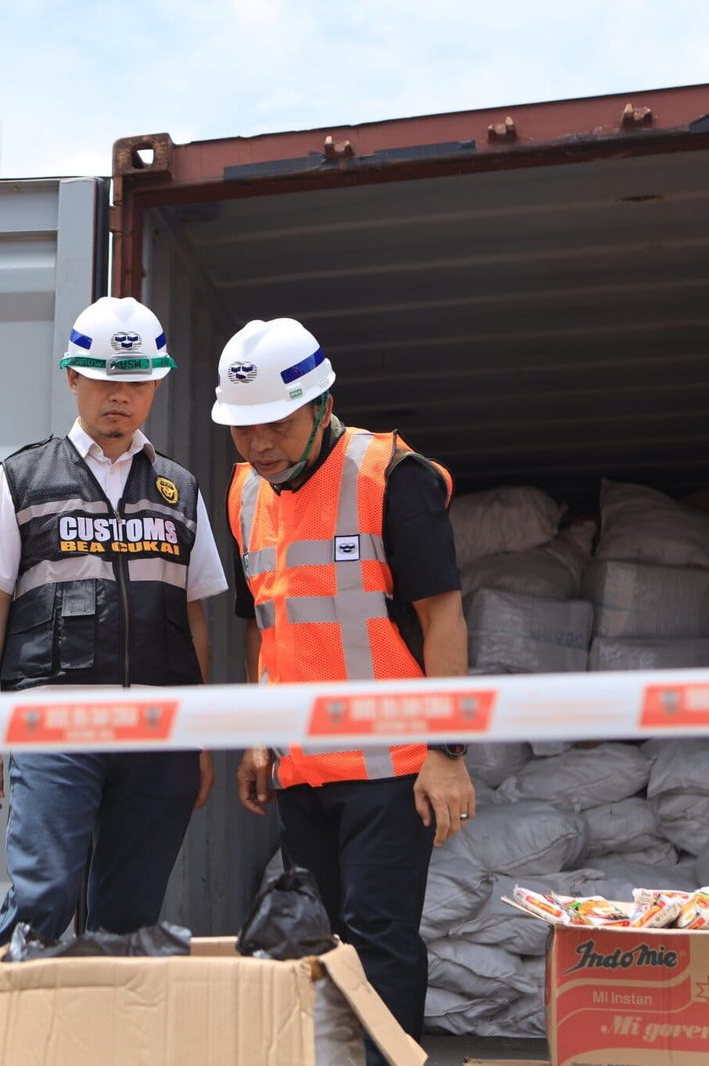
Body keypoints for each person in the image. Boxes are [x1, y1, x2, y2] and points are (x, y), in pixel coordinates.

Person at [211, 318, 476, 1054]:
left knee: (380, 935)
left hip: (391, 767)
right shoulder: (243, 495)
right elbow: (262, 622)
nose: (259, 445)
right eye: (243, 430)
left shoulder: (392, 478)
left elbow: (444, 619)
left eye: (275, 425)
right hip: (302, 766)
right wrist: (260, 734)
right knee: (316, 941)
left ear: (321, 405)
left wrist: (447, 750)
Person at [0, 296, 226, 949]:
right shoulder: (21, 480)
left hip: (158, 734)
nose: (119, 396)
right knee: (42, 897)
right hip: (55, 727)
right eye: (104, 378)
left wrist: (199, 737)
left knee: (130, 915)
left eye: (135, 381)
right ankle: (0, 1041)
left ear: (157, 383)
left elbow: (192, 623)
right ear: (72, 376)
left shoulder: (180, 491)